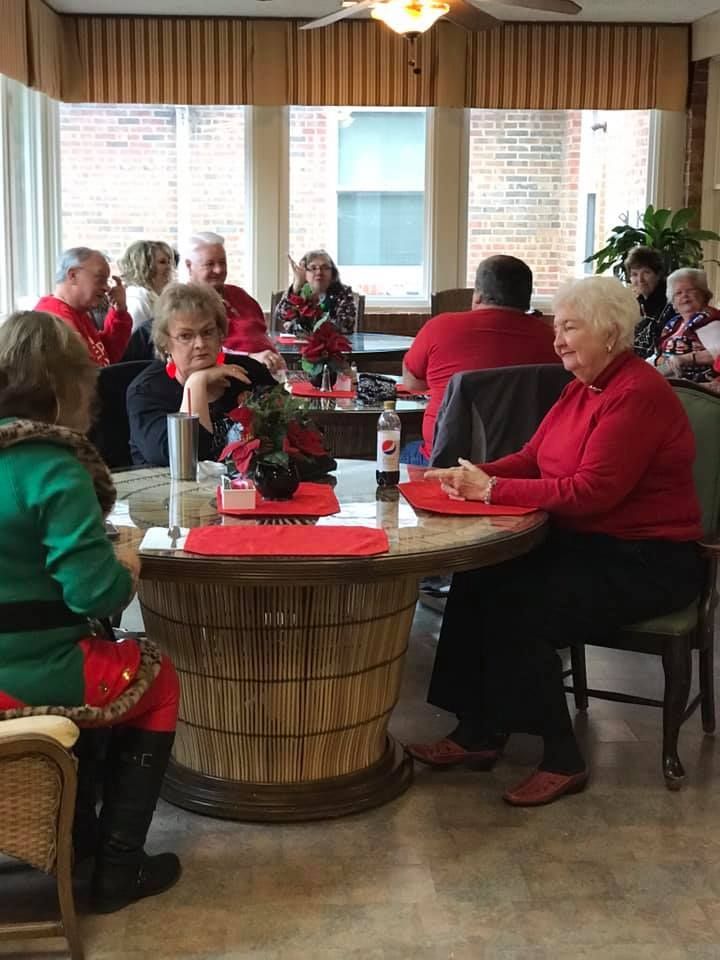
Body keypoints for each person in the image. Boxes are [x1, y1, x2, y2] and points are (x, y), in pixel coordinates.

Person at [406, 276, 704, 806]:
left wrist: (491, 490)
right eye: (557, 328)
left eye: (570, 328)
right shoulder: (582, 387)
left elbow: (592, 492)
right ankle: (478, 730)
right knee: (477, 577)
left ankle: (563, 757)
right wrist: (471, 473)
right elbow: (532, 457)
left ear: (609, 333)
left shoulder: (636, 394)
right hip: (593, 545)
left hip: (650, 561)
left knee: (523, 606)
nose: (557, 340)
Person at [0, 310, 181, 912]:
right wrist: (126, 561)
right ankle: (118, 868)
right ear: (69, 385)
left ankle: (74, 836)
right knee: (158, 678)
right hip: (26, 675)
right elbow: (94, 597)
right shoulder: (53, 465)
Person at [401, 255, 559, 466]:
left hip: (444, 462)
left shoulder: (440, 328)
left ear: (477, 296)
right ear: (526, 298)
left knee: (393, 454)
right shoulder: (553, 340)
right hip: (523, 466)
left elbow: (412, 383)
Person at [127, 282, 275, 466]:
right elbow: (181, 458)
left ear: (220, 334)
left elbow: (290, 431)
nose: (200, 344)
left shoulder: (250, 372)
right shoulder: (146, 392)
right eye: (185, 336)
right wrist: (196, 383)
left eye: (207, 332)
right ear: (165, 343)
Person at [184, 231, 284, 375]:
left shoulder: (240, 295)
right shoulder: (185, 305)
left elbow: (262, 334)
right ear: (189, 266)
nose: (218, 270)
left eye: (222, 263)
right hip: (226, 378)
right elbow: (200, 355)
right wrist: (250, 358)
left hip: (269, 375)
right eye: (210, 264)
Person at [36, 247, 132, 366]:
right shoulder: (55, 320)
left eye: (106, 281)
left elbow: (106, 356)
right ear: (73, 275)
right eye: (100, 279)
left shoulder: (77, 311)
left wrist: (119, 311)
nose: (106, 288)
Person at [654, 268, 720, 383]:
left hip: (699, 387)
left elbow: (718, 353)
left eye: (690, 290)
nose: (684, 295)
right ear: (673, 302)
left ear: (704, 295)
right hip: (670, 382)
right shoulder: (674, 324)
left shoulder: (710, 320)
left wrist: (687, 358)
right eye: (678, 293)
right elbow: (657, 356)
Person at [274, 250, 357, 335]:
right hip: (298, 343)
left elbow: (344, 326)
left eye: (325, 267)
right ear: (304, 272)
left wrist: (293, 327)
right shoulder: (298, 291)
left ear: (332, 272)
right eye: (313, 268)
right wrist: (297, 285)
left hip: (333, 343)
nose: (319, 272)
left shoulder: (343, 292)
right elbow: (281, 314)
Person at [625, 245, 672, 358]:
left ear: (658, 275)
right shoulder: (635, 305)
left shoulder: (671, 305)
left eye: (646, 272)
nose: (640, 280)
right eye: (634, 274)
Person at [118, 240, 175, 331]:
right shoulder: (137, 299)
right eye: (162, 262)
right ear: (143, 266)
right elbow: (138, 337)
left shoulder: (157, 296)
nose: (169, 267)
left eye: (169, 262)